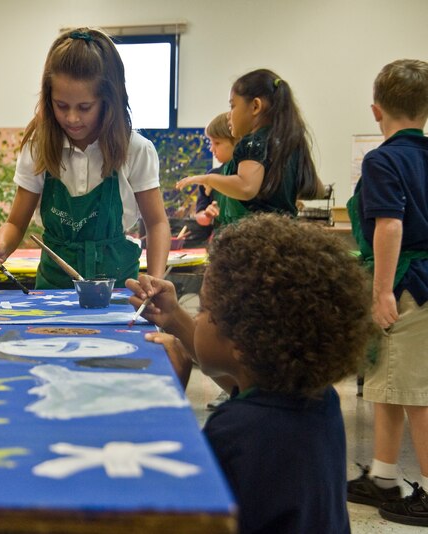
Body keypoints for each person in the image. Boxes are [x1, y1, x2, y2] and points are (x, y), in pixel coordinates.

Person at [128, 213, 373, 534]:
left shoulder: (237, 431)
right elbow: (241, 376)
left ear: (243, 339)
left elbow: (166, 506)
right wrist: (174, 317)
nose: (197, 318)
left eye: (203, 310)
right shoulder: (320, 399)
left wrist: (169, 394)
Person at [0, 27, 170, 288]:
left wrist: (155, 281)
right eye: (61, 106)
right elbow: (15, 224)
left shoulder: (135, 149)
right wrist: (2, 246)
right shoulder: (38, 148)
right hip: (53, 288)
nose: (72, 118)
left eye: (85, 107)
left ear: (108, 100)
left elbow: (156, 224)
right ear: (48, 99)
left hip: (118, 287)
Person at [345, 58, 428, 527]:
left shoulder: (383, 159)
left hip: (406, 286)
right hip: (421, 281)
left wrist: (381, 293)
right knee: (390, 383)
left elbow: (389, 225)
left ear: (376, 111)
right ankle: (383, 475)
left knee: (417, 393)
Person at [176, 69, 324, 226]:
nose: (229, 115)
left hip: (254, 235)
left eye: (232, 106)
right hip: (285, 232)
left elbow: (246, 187)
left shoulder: (252, 142)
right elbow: (317, 189)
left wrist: (208, 179)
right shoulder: (291, 143)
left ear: (255, 106)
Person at [190, 112, 237, 245]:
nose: (211, 149)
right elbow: (200, 215)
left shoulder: (248, 177)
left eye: (217, 143)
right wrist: (206, 215)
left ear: (237, 141)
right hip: (221, 243)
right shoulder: (211, 176)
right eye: (211, 143)